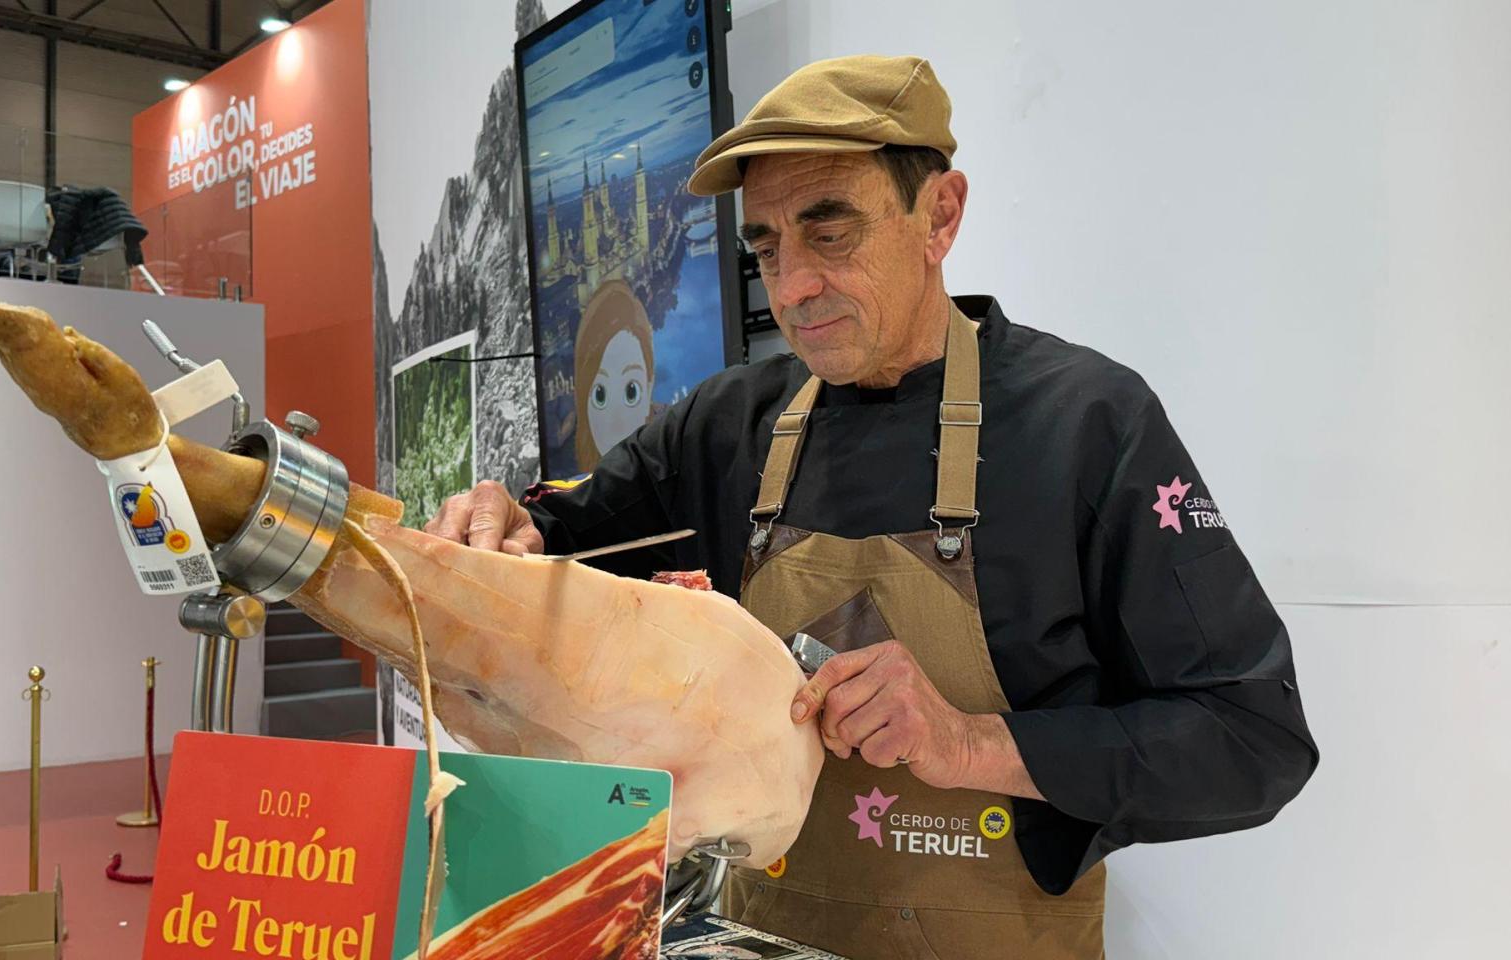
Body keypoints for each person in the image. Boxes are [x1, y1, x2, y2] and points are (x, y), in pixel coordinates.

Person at [427, 55, 1317, 958]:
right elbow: (553, 551)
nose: (791, 287)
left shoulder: (1087, 422)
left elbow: (1252, 738)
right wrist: (503, 527)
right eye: (767, 248)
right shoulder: (727, 425)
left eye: (830, 233)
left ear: (941, 215)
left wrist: (967, 744)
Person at [572, 279, 656, 475]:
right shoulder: (567, 489)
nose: (616, 423)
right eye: (599, 395)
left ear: (649, 388)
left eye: (631, 392)